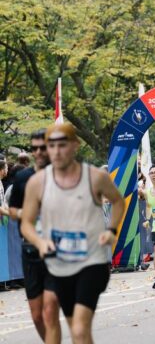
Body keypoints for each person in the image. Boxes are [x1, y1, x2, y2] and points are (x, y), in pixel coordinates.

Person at [20, 123, 125, 344]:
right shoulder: (37, 183)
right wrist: (39, 242)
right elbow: (26, 224)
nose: (56, 151)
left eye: (62, 145)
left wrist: (111, 230)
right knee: (79, 331)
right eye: (52, 146)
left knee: (78, 329)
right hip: (59, 265)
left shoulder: (95, 177)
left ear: (75, 145)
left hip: (92, 262)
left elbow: (117, 201)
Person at [7, 129, 62, 343]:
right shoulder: (22, 178)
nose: (39, 152)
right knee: (37, 315)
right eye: (35, 148)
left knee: (49, 309)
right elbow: (12, 210)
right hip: (30, 251)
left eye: (43, 147)